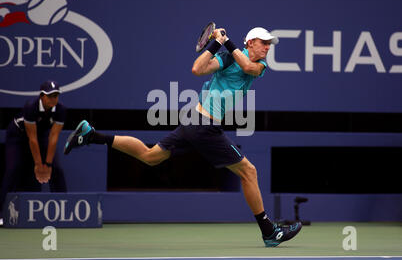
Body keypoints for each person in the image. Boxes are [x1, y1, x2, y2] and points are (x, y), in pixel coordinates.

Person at [63, 27, 302, 247]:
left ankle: (92, 136)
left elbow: (248, 67)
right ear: (250, 42)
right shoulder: (228, 57)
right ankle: (269, 232)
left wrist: (225, 42)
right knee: (248, 172)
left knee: (150, 156)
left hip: (193, 123)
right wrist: (215, 44)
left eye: (270, 44)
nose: (268, 48)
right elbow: (197, 69)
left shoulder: (259, 66)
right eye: (264, 43)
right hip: (204, 125)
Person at [0, 80, 67, 224]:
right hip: (17, 136)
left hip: (41, 136)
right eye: (50, 96)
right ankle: (1, 212)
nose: (53, 99)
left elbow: (53, 138)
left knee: (57, 169)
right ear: (42, 96)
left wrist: (48, 164)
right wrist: (38, 165)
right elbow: (32, 139)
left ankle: (64, 212)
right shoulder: (31, 107)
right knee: (13, 169)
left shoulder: (60, 110)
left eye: (56, 95)